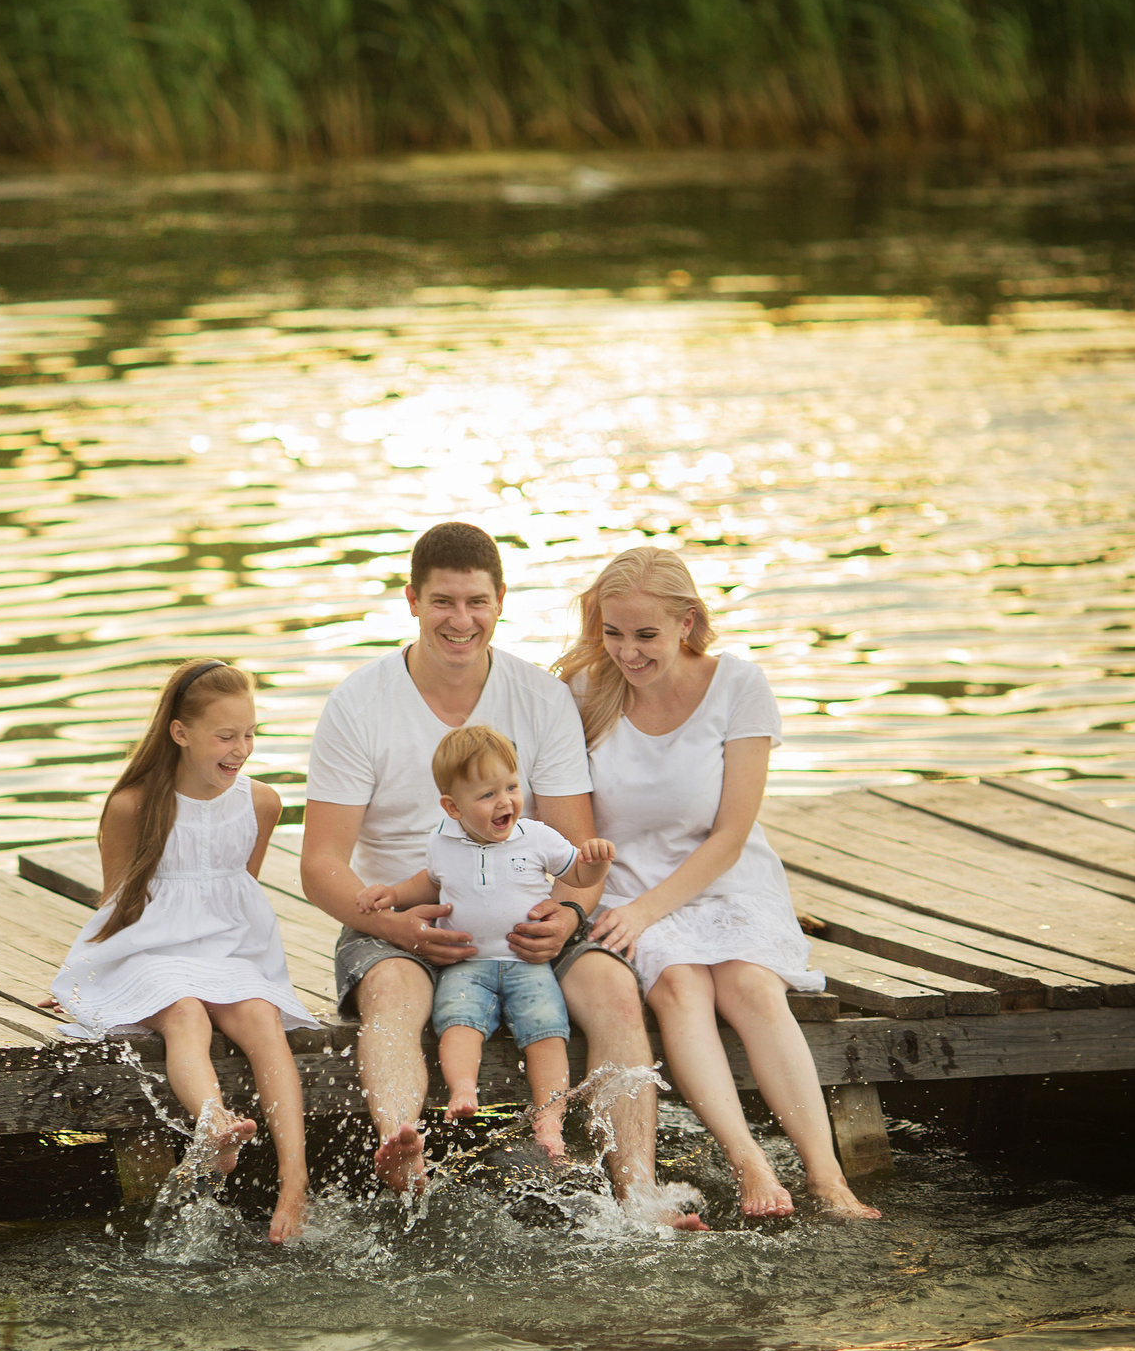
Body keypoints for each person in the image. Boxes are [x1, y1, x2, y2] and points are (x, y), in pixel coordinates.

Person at [301, 522, 692, 1225]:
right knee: (390, 993)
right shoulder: (358, 704)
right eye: (443, 602)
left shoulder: (539, 698)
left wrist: (568, 916)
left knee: (612, 985)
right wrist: (396, 926)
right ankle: (403, 1153)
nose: (461, 620)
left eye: (476, 601)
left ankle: (640, 1194)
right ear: (412, 600)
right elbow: (320, 864)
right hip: (404, 918)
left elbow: (578, 851)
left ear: (501, 599)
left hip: (525, 923)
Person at [555, 546, 880, 1220]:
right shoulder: (584, 691)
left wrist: (650, 910)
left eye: (646, 634)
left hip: (725, 877)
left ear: (687, 620)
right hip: (627, 885)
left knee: (750, 985)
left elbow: (731, 833)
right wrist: (634, 910)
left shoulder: (737, 685)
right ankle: (749, 1161)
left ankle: (827, 1177)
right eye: (613, 632)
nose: (628, 652)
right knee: (680, 984)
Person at [50, 659, 315, 1243]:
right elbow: (116, 902)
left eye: (250, 734)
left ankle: (294, 1178)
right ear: (180, 732)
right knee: (185, 1013)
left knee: (261, 1020)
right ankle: (214, 1125)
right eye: (225, 736)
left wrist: (234, 965)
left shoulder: (261, 803)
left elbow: (238, 887)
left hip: (228, 947)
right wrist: (81, 980)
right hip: (151, 949)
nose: (240, 748)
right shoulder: (133, 806)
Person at [355, 724, 614, 1159]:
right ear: (453, 807)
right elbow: (429, 881)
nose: (505, 801)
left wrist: (597, 865)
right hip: (467, 964)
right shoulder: (442, 840)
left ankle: (549, 1116)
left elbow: (577, 876)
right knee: (457, 1024)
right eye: (487, 795)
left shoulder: (537, 837)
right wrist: (393, 895)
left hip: (528, 963)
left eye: (511, 786)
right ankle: (463, 1091)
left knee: (547, 1032)